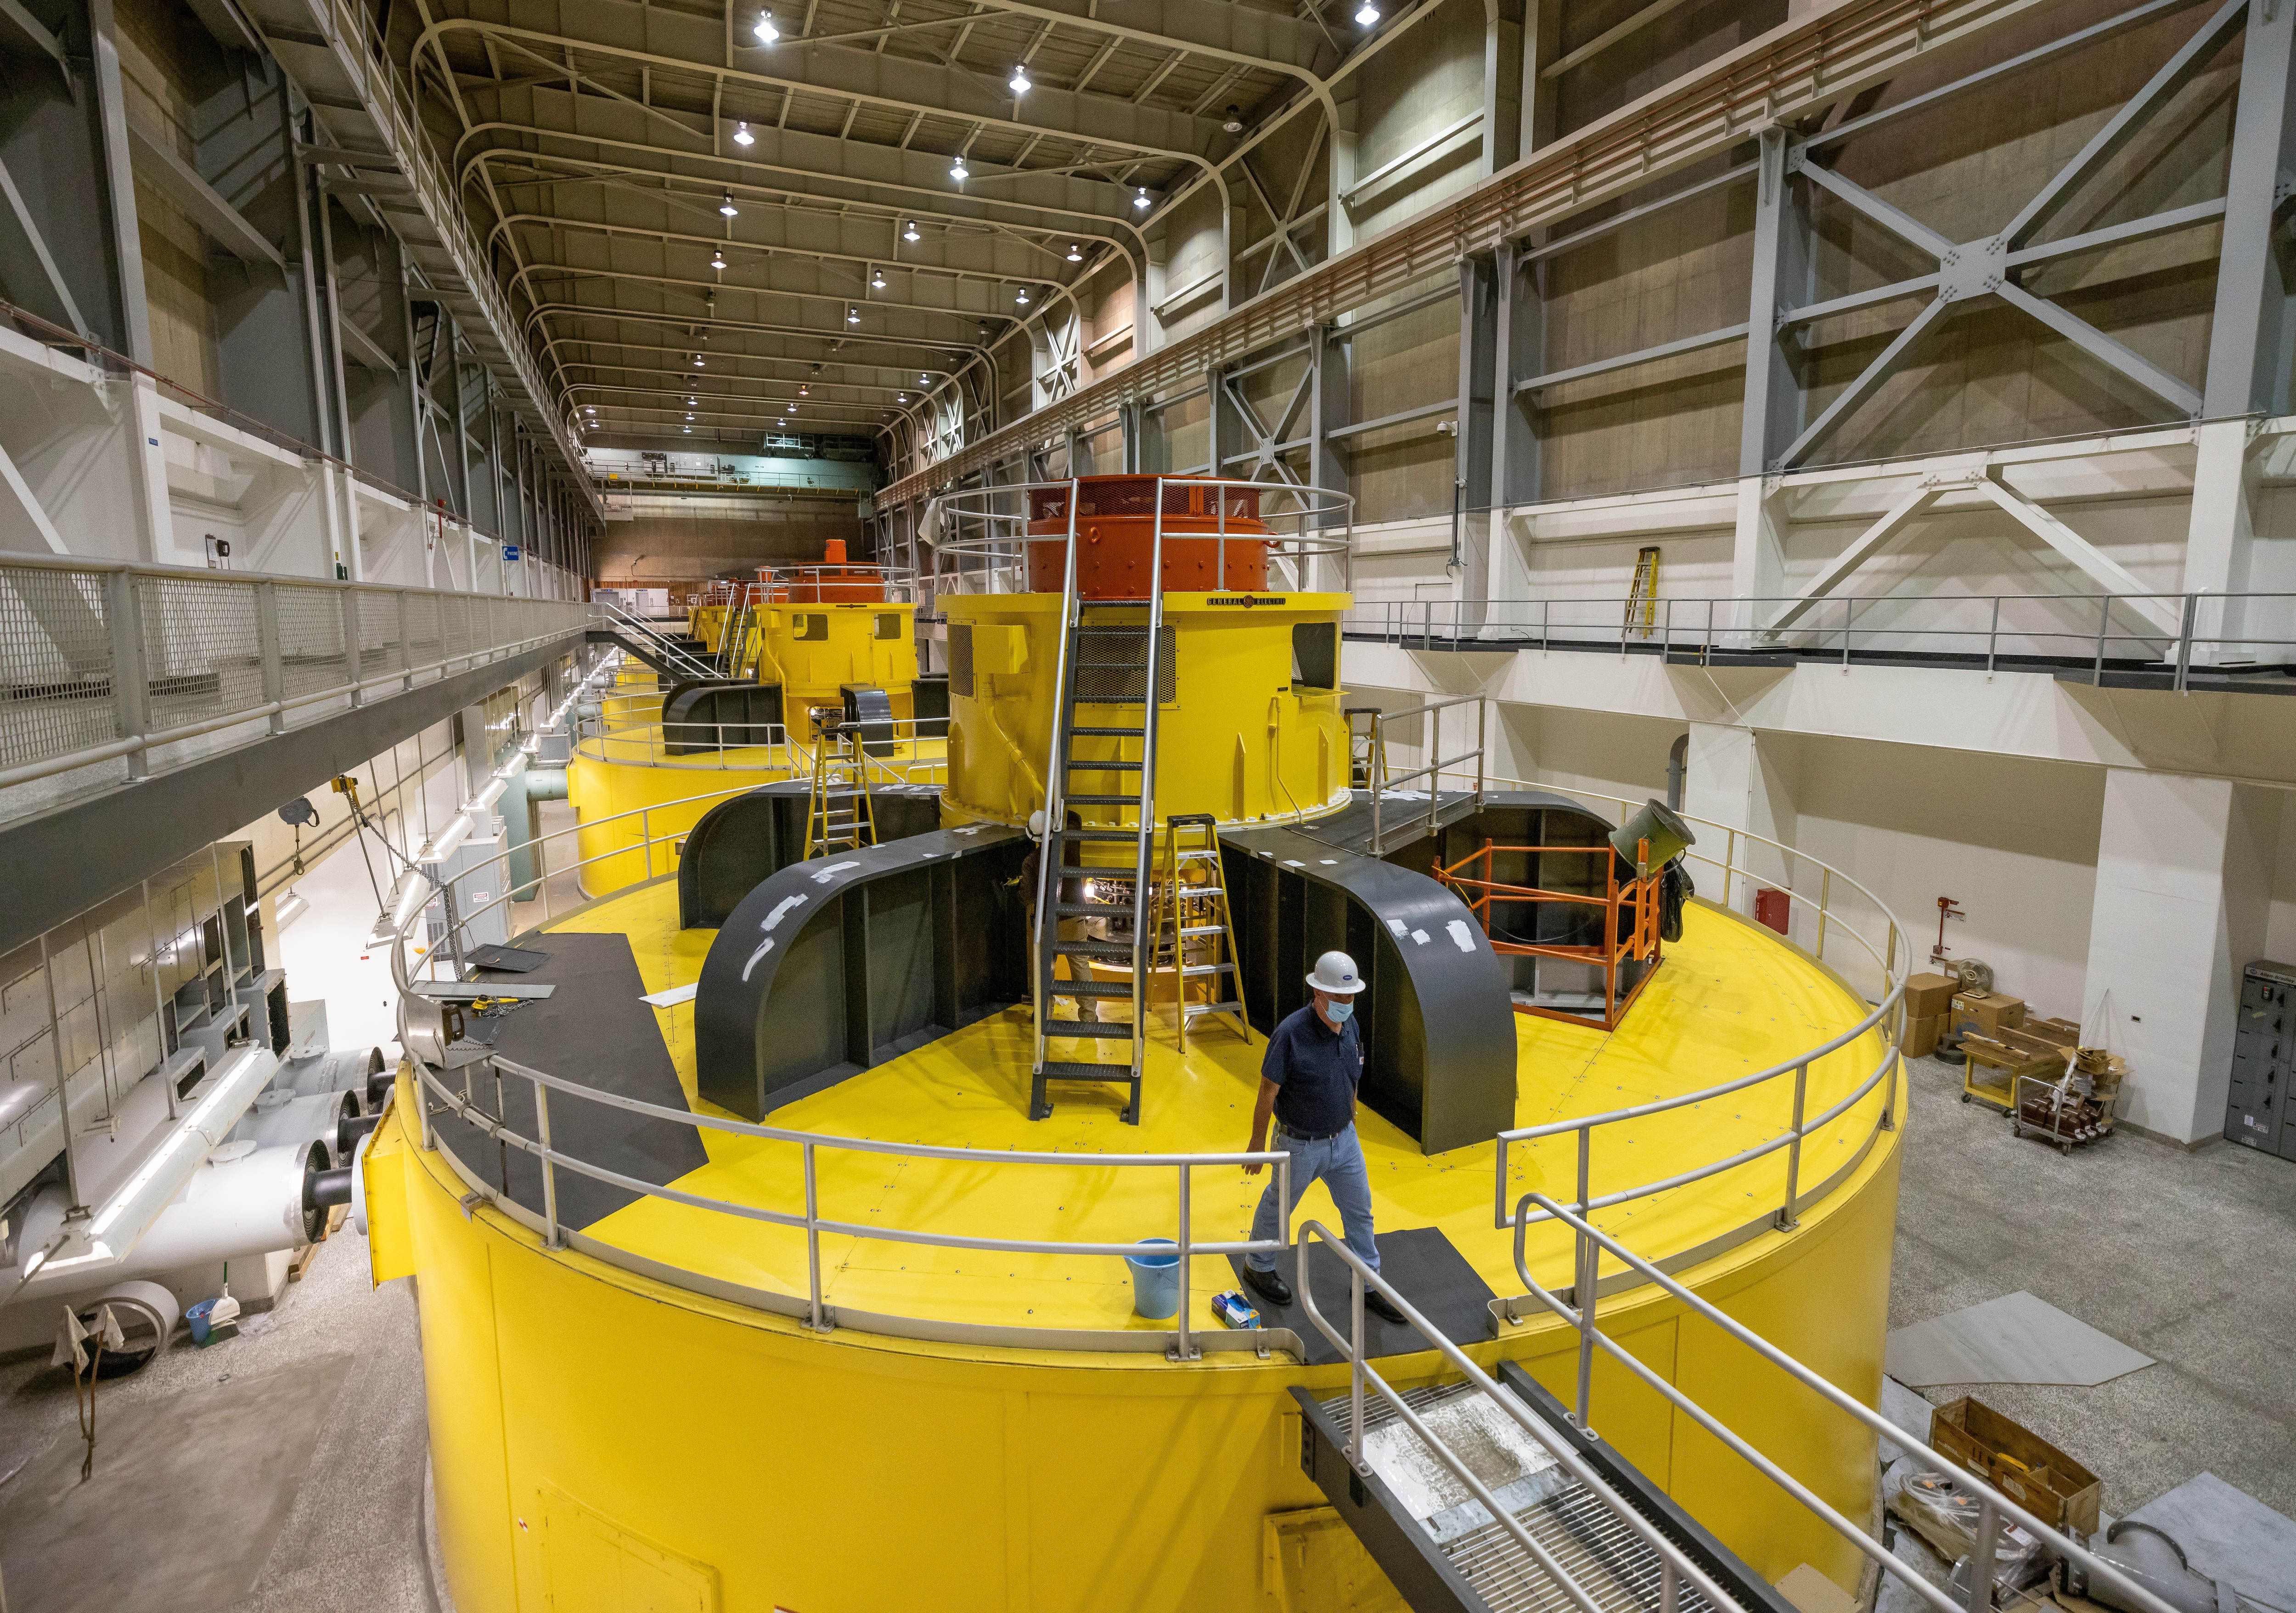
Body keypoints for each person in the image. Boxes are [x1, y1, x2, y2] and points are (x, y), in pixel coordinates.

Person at [1239, 950, 1406, 1323]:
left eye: (1350, 998)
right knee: (1278, 1205)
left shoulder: (1351, 1027)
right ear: (1317, 994)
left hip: (1344, 1141)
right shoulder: (1290, 1034)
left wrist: (1350, 1110)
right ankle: (1258, 1265)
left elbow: (1352, 1071)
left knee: (1360, 1211)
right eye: (1338, 998)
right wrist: (1256, 1145)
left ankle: (1367, 1281)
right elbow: (1268, 1090)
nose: (1345, 1005)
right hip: (1299, 1145)